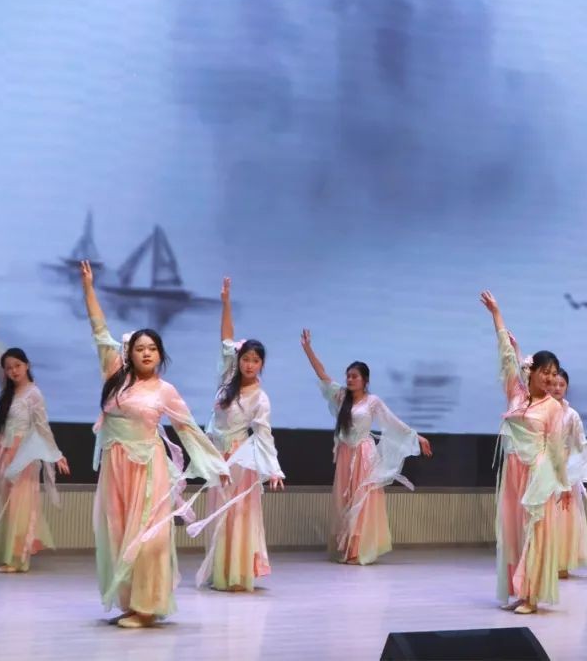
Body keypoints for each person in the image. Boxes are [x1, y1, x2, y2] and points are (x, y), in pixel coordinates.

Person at [80, 260, 229, 628]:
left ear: (160, 354)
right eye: (140, 348)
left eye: (152, 348)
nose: (146, 353)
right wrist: (88, 288)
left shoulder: (165, 391)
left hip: (147, 470)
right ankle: (132, 602)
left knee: (146, 539)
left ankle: (147, 607)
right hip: (116, 468)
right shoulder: (115, 377)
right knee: (117, 535)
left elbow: (189, 430)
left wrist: (216, 466)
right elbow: (99, 329)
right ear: (129, 353)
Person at [300, 327, 432, 565]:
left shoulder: (373, 402)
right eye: (348, 376)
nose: (350, 379)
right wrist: (308, 349)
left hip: (364, 454)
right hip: (345, 454)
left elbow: (393, 422)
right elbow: (322, 374)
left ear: (365, 380)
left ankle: (358, 549)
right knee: (345, 499)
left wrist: (417, 437)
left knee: (362, 501)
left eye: (355, 376)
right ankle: (347, 547)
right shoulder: (341, 397)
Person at [481, 290, 571, 614]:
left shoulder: (553, 408)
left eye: (554, 373)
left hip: (537, 475)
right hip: (513, 473)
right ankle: (519, 591)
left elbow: (557, 449)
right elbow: (506, 354)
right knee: (513, 531)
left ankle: (531, 596)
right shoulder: (515, 393)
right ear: (531, 371)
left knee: (534, 531)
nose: (549, 378)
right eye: (545, 371)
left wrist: (563, 484)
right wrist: (497, 314)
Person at [196, 277, 285, 591]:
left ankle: (237, 573)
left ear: (261, 364)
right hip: (217, 456)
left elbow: (264, 435)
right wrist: (225, 303)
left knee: (237, 515)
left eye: (255, 360)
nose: (249, 364)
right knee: (218, 514)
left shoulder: (261, 398)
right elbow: (226, 337)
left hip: (240, 459)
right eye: (245, 358)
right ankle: (221, 570)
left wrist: (273, 470)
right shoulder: (227, 379)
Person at [0, 315, 70, 573]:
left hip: (22, 456)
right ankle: (10, 555)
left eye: (17, 365)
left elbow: (42, 426)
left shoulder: (33, 394)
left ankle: (18, 559)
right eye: (9, 368)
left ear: (27, 365)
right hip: (4, 453)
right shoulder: (8, 390)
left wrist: (57, 454)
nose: (13, 371)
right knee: (6, 506)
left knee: (19, 507)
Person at [549, 368, 587, 577]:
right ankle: (543, 562)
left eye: (561, 385)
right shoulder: (540, 411)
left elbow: (582, 445)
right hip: (545, 471)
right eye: (553, 384)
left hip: (567, 473)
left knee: (564, 520)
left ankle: (562, 563)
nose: (557, 388)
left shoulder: (571, 415)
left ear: (567, 387)